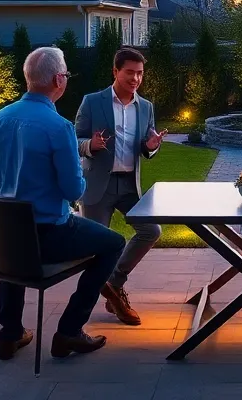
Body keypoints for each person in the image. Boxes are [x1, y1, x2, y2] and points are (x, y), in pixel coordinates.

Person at [0, 47, 126, 360]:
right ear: (58, 79)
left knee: (14, 253)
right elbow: (73, 190)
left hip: (6, 238)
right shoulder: (58, 127)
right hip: (47, 235)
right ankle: (69, 331)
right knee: (114, 243)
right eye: (66, 75)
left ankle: (10, 335)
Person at [74, 47, 167, 326]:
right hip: (97, 186)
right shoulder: (92, 102)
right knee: (98, 247)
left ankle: (114, 283)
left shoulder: (146, 106)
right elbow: (74, 139)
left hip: (128, 185)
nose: (136, 78)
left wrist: (150, 148)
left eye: (140, 73)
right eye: (130, 72)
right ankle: (80, 316)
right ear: (115, 71)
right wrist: (91, 145)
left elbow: (146, 145)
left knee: (151, 229)